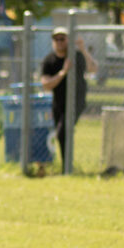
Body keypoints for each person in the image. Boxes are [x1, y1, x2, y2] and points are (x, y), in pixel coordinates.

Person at [40, 26, 98, 172]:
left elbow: (93, 68)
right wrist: (63, 72)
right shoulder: (49, 60)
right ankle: (66, 165)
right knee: (61, 133)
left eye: (62, 39)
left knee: (63, 131)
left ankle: (67, 168)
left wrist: (83, 49)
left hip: (76, 101)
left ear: (68, 40)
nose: (59, 42)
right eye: (56, 39)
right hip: (59, 103)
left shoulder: (77, 56)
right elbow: (46, 84)